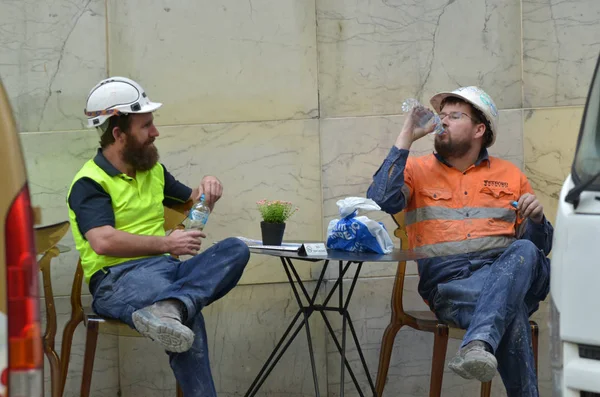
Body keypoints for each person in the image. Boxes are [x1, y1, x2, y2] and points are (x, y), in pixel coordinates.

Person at [67, 76, 250, 396]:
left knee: (236, 249)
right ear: (118, 133)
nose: (156, 132)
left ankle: (171, 308)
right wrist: (165, 243)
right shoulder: (89, 182)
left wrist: (208, 192)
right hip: (117, 280)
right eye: (146, 125)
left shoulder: (153, 171)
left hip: (166, 271)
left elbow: (192, 208)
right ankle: (174, 308)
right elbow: (103, 241)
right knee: (184, 315)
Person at [367, 86, 551, 396]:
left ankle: (477, 342)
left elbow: (540, 248)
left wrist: (536, 221)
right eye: (442, 116)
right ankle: (479, 344)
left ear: (479, 129)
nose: (443, 121)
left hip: (505, 271)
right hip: (450, 286)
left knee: (525, 249)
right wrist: (406, 136)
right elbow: (380, 199)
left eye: (455, 116)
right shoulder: (415, 169)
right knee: (511, 309)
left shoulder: (511, 175)